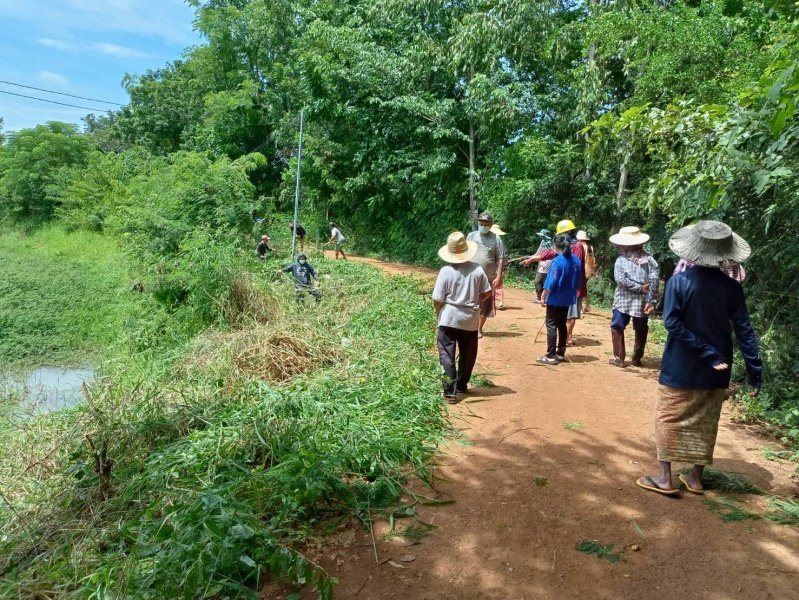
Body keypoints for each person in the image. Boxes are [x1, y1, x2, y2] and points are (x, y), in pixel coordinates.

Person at [636, 220, 762, 496]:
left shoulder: (679, 282)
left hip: (680, 364)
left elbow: (672, 324)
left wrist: (705, 352)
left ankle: (665, 478)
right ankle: (695, 478)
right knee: (706, 421)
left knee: (669, 417)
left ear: (692, 250)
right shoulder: (732, 288)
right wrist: (755, 373)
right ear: (723, 255)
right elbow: (745, 331)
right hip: (718, 369)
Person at [432, 231, 492, 402]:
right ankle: (462, 385)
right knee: (468, 353)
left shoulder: (446, 271)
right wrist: (474, 298)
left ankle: (449, 391)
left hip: (449, 317)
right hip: (470, 319)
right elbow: (487, 292)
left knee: (446, 354)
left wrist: (439, 313)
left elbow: (437, 298)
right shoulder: (477, 269)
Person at [522, 219, 586, 345]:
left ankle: (565, 341)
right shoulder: (562, 249)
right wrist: (531, 259)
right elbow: (550, 253)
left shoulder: (577, 247)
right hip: (561, 288)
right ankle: (563, 344)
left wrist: (544, 296)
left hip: (570, 287)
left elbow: (573, 268)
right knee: (562, 320)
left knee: (563, 318)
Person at [608, 226, 659, 368]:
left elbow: (620, 280)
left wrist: (638, 288)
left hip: (623, 300)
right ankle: (636, 358)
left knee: (617, 325)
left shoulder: (621, 260)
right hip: (643, 301)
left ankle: (619, 358)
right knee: (641, 328)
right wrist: (651, 300)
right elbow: (654, 281)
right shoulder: (650, 260)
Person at [537, 234, 582, 365]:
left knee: (551, 324)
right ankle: (561, 353)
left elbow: (550, 282)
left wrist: (543, 296)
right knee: (562, 324)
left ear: (555, 246)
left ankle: (550, 355)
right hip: (568, 298)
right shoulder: (576, 261)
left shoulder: (557, 262)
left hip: (555, 298)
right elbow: (578, 281)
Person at [467, 212, 506, 338]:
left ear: (491, 224)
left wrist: (498, 276)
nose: (483, 225)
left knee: (485, 304)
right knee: (470, 302)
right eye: (481, 223)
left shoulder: (496, 239)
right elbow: (464, 253)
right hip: (471, 277)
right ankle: (469, 327)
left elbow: (500, 257)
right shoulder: (471, 236)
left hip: (488, 278)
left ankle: (478, 329)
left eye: (486, 223)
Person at [490, 224, 509, 309]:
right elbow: (505, 256)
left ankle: (494, 302)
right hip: (498, 266)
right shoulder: (501, 242)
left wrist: (504, 267)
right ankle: (498, 302)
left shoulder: (495, 242)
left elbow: (503, 256)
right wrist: (505, 266)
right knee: (498, 284)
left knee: (493, 284)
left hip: (494, 266)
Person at [576, 230, 596, 313]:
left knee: (579, 288)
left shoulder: (579, 246)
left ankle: (580, 307)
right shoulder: (590, 247)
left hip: (581, 270)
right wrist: (593, 271)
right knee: (582, 288)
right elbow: (593, 260)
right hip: (588, 271)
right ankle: (587, 306)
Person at [532, 229, 552, 303]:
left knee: (537, 281)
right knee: (543, 282)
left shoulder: (547, 243)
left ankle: (540, 298)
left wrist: (531, 258)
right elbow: (538, 253)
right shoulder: (544, 242)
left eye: (542, 236)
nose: (541, 237)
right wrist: (531, 257)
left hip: (545, 265)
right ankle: (543, 298)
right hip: (544, 264)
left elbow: (540, 254)